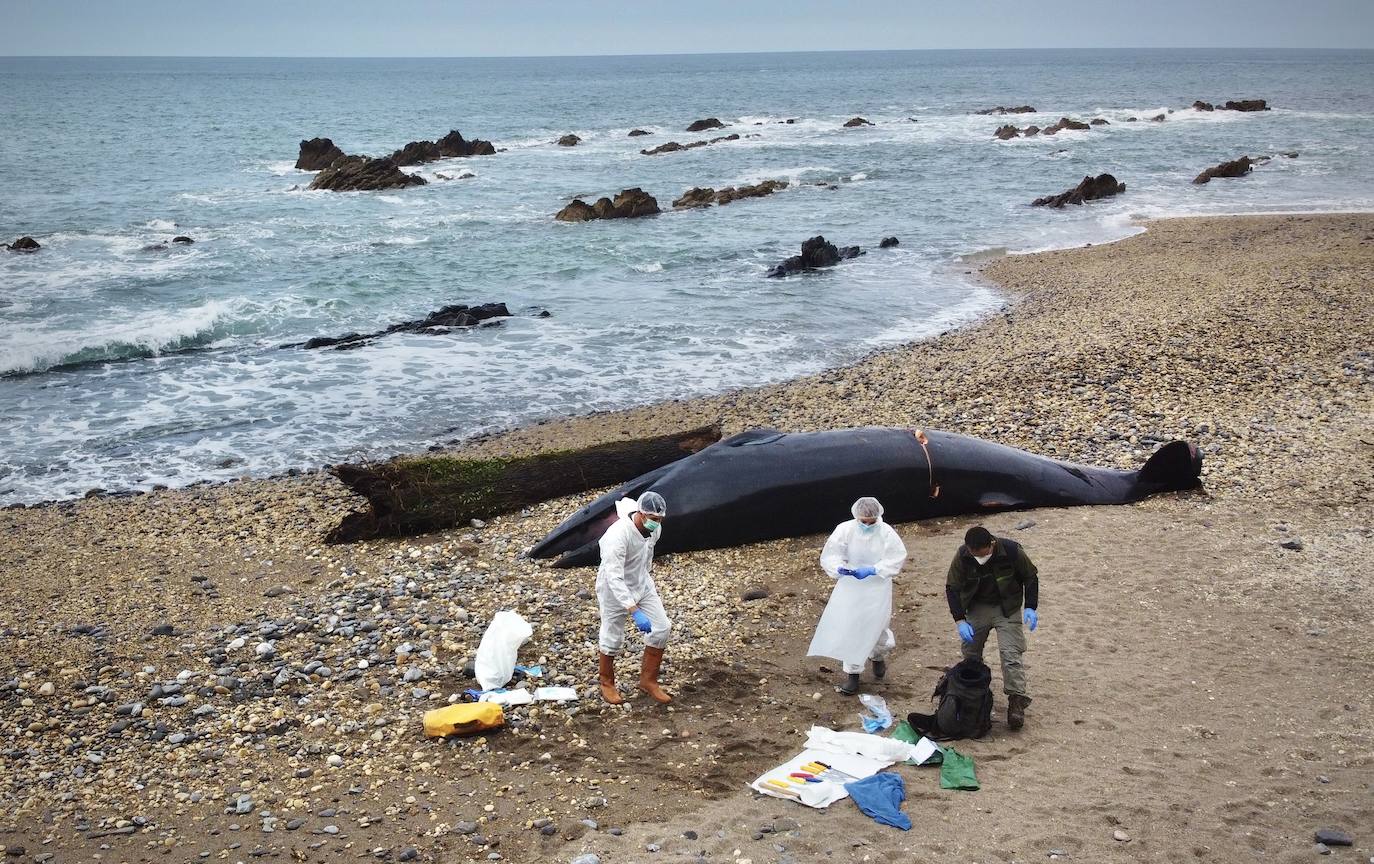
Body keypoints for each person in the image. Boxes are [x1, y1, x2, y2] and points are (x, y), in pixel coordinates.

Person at [807, 496, 908, 695]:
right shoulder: (845, 529)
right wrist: (840, 568)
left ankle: (878, 657)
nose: (866, 525)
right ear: (856, 516)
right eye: (863, 521)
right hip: (851, 585)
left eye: (870, 522)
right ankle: (853, 675)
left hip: (877, 585)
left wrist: (874, 569)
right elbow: (831, 554)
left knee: (877, 625)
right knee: (852, 627)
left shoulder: (886, 532)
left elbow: (896, 558)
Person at [945, 525, 1039, 730]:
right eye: (973, 553)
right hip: (977, 606)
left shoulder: (1012, 551)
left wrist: (1031, 607)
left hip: (1007, 607)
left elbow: (1031, 576)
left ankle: (1016, 700)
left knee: (1010, 653)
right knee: (971, 652)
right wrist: (960, 620)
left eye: (982, 553)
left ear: (992, 545)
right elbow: (952, 587)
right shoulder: (962, 555)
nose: (978, 557)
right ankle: (973, 694)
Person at [595, 491, 673, 705]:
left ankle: (649, 680)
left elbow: (646, 557)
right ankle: (607, 682)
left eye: (660, 520)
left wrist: (644, 586)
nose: (656, 524)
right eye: (653, 519)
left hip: (641, 581)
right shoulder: (617, 535)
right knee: (612, 636)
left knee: (662, 627)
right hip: (613, 588)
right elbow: (614, 576)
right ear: (640, 513)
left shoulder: (654, 529)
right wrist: (634, 610)